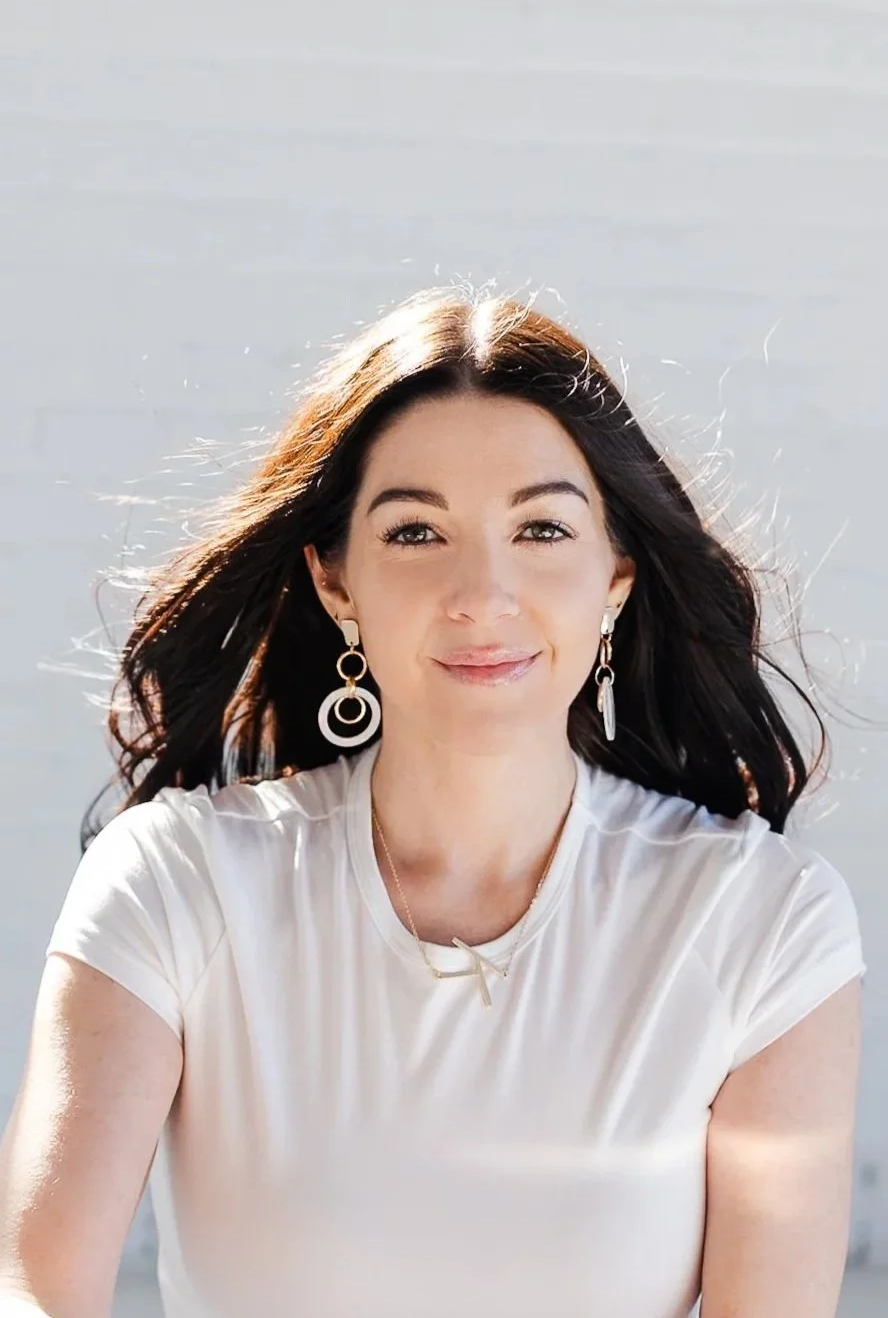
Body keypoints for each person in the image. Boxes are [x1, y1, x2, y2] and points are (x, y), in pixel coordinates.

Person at [0, 287, 866, 1318]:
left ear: (618, 575)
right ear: (336, 583)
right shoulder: (176, 885)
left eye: (542, 528)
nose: (482, 593)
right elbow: (39, 1292)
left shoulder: (766, 921)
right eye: (416, 534)